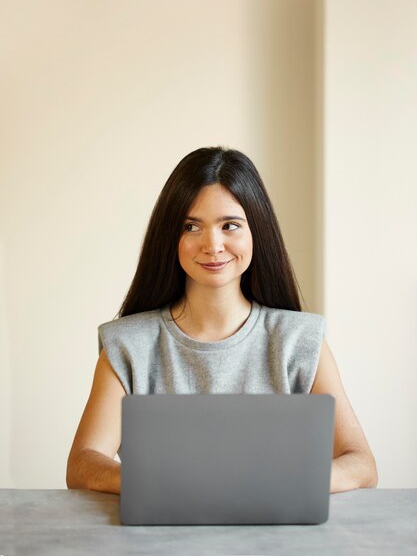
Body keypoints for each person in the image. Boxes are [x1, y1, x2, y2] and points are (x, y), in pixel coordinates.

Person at [66, 146, 377, 495]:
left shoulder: (300, 341)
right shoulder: (127, 346)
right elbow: (83, 463)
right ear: (171, 236)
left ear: (255, 232)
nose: (213, 245)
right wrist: (157, 485)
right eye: (191, 226)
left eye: (230, 225)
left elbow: (361, 463)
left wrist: (290, 484)